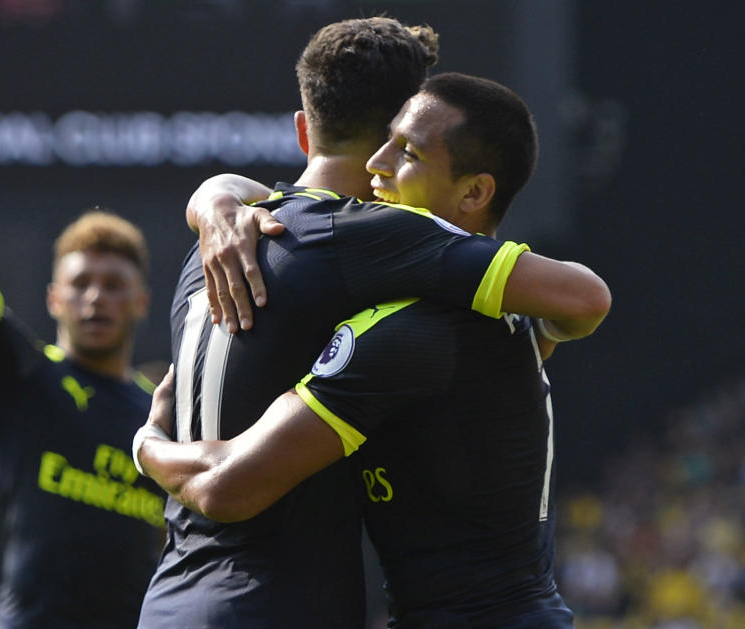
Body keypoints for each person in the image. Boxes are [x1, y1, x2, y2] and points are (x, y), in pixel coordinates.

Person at [136, 17, 608, 629]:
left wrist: (146, 445)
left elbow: (226, 488)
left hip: (185, 595)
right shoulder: (457, 309)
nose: (382, 166)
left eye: (406, 152)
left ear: (304, 132)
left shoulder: (222, 254)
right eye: (386, 144)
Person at [0, 79, 166, 629]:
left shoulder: (166, 415)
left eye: (115, 284)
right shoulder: (24, 376)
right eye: (81, 283)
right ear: (54, 297)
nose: (96, 297)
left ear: (142, 301)